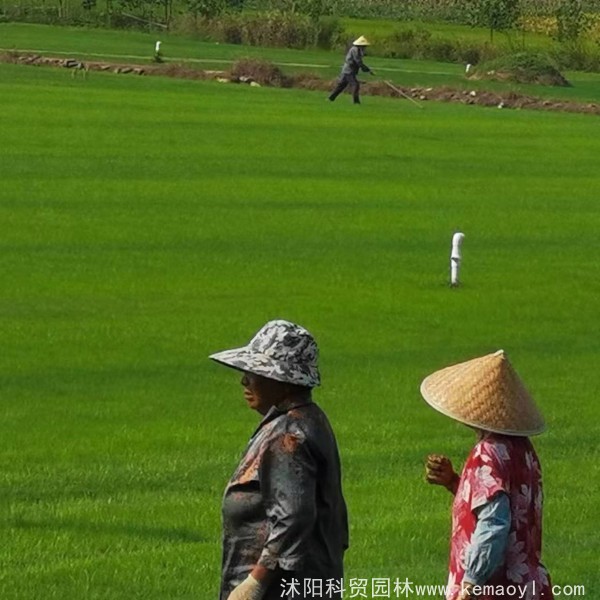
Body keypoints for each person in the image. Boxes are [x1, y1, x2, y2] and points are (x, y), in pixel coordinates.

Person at [210, 319, 348, 600]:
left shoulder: (288, 436)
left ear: (283, 382)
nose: (245, 380)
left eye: (255, 373)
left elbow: (293, 517)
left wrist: (255, 582)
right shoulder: (310, 418)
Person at [421, 350, 553, 600]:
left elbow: (494, 524)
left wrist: (469, 586)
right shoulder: (523, 450)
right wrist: (454, 482)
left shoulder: (487, 453)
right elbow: (509, 505)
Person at [328, 36, 374, 104]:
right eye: (364, 46)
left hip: (347, 70)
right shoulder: (355, 50)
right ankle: (356, 102)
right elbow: (358, 62)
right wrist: (367, 69)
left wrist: (366, 69)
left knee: (341, 85)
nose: (365, 47)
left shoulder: (358, 50)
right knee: (355, 84)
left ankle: (330, 98)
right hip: (349, 71)